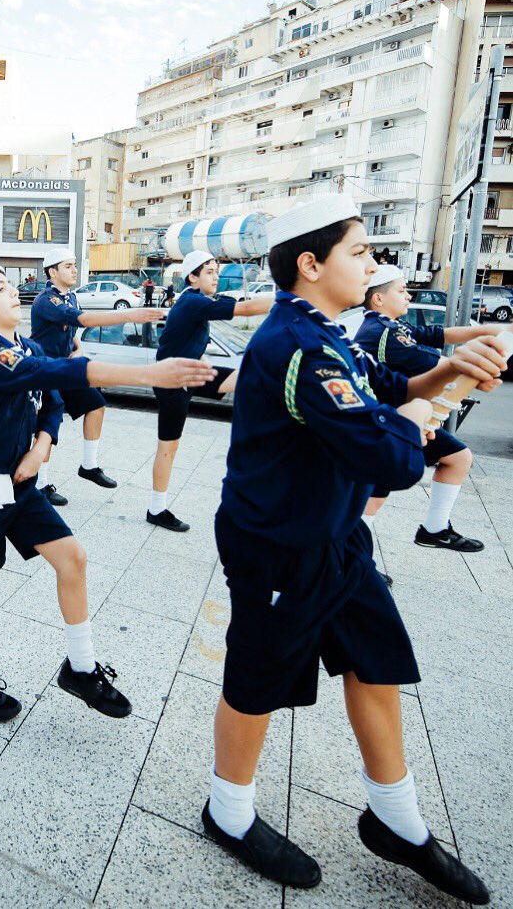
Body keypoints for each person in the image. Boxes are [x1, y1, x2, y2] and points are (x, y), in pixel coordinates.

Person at [203, 194, 500, 903]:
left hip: (335, 536)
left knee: (375, 660)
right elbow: (393, 459)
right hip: (278, 546)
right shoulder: (298, 346)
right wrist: (436, 402)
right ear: (310, 263)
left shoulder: (331, 331)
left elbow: (394, 386)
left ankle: (396, 820)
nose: (374, 264)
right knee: (255, 682)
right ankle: (227, 811)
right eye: (360, 252)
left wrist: (451, 369)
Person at [0, 264, 217, 724]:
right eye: (1, 289)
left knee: (74, 559)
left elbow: (53, 398)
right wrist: (150, 372)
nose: (14, 293)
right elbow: (56, 369)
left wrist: (42, 445)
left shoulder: (22, 344)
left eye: (10, 285)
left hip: (22, 486)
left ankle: (81, 668)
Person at [354, 264, 502, 554]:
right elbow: (439, 364)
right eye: (401, 290)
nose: (408, 296)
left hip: (399, 419)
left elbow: (438, 335)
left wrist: (488, 330)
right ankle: (352, 556)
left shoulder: (392, 326)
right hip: (383, 423)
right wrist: (481, 360)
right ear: (378, 299)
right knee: (376, 491)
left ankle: (435, 530)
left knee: (457, 458)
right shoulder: (382, 332)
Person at [28, 246, 166, 504]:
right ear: (52, 271)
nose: (74, 270)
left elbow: (71, 331)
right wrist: (128, 315)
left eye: (74, 265)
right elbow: (81, 319)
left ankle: (88, 465)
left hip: (65, 368)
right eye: (68, 266)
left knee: (96, 404)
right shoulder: (47, 299)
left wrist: (77, 347)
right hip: (45, 370)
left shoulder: (70, 297)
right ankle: (41, 485)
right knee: (49, 424)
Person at [147, 251, 273, 531]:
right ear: (192, 277)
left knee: (247, 376)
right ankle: (156, 509)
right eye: (209, 272)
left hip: (190, 373)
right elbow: (246, 309)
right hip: (172, 381)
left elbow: (185, 341)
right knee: (168, 447)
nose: (216, 277)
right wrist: (292, 299)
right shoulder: (192, 302)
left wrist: (200, 360)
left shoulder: (198, 302)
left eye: (217, 271)